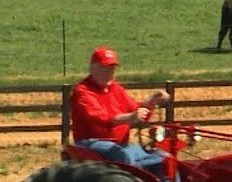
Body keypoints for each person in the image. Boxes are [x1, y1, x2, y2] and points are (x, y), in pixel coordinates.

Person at [70, 46, 172, 174]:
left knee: (164, 159)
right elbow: (100, 118)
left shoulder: (116, 89)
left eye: (112, 69)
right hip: (92, 143)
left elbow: (136, 111)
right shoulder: (83, 91)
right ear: (92, 68)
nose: (109, 73)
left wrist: (151, 102)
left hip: (120, 144)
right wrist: (130, 117)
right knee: (121, 155)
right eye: (104, 68)